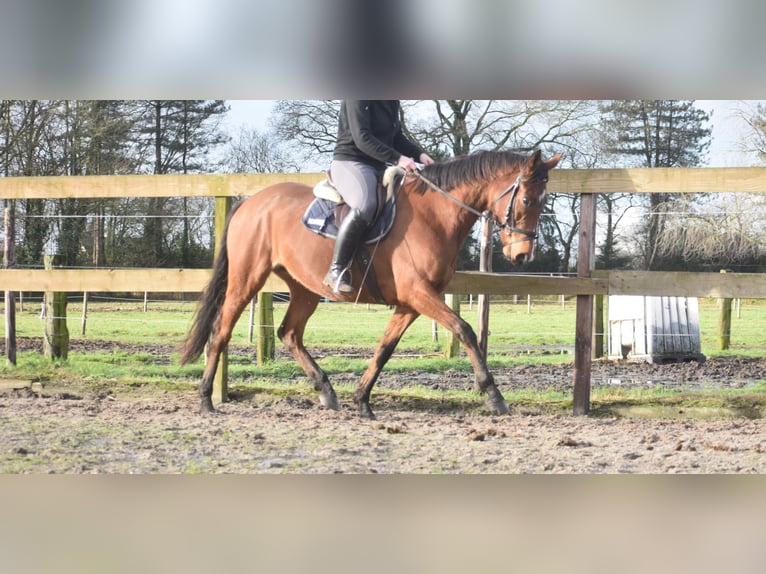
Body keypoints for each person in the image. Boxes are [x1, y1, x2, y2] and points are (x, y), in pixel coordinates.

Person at [323, 100, 435, 294]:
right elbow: (362, 138)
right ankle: (336, 269)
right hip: (351, 161)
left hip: (379, 165)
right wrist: (398, 158)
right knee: (366, 204)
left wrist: (419, 154)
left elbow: (396, 137)